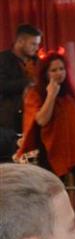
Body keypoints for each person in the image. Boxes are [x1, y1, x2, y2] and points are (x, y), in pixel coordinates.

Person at [18, 49, 75, 239]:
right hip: (51, 150)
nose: (59, 73)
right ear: (45, 73)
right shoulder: (35, 93)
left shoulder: (73, 92)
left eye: (61, 69)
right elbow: (41, 120)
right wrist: (51, 95)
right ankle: (57, 234)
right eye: (53, 70)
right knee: (54, 193)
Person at [0, 23, 41, 160]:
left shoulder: (37, 62)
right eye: (33, 44)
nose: (36, 48)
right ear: (20, 41)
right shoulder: (3, 59)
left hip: (33, 118)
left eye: (37, 44)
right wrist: (28, 82)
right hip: (8, 120)